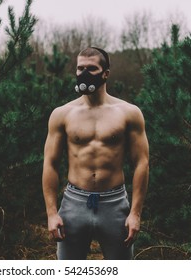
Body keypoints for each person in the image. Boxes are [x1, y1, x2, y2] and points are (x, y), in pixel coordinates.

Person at [42, 47, 149, 260]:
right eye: (80, 68)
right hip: (74, 203)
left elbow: (142, 163)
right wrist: (52, 213)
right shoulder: (62, 114)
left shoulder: (129, 113)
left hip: (115, 203)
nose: (84, 73)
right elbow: (50, 164)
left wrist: (135, 213)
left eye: (92, 68)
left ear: (105, 73)